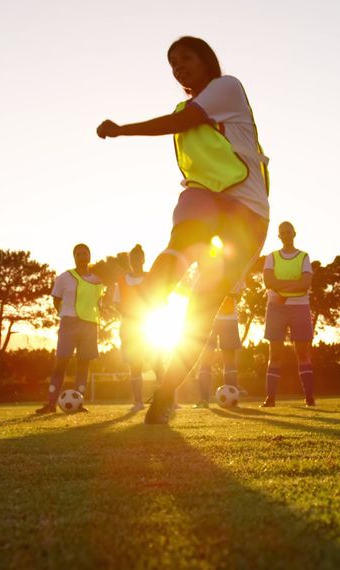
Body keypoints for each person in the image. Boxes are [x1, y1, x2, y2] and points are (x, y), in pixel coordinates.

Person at [97, 36, 270, 424]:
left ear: (206, 60)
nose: (178, 67)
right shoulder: (188, 107)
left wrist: (122, 129)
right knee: (186, 232)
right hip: (205, 195)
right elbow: (187, 131)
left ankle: (165, 393)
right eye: (172, 63)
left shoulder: (227, 88)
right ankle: (152, 298)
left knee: (202, 308)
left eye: (185, 58)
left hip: (246, 209)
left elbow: (181, 121)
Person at [35, 244, 105, 414]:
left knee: (83, 365)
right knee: (61, 364)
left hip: (89, 326)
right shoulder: (64, 277)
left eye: (85, 253)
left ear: (90, 255)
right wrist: (66, 314)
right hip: (69, 324)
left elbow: (99, 302)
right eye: (78, 253)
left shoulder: (98, 280)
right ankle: (51, 404)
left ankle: (79, 403)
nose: (82, 256)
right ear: (74, 257)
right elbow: (55, 300)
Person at [261, 221, 315, 407]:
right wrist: (292, 286)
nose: (285, 235)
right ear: (279, 236)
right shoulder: (272, 257)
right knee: (275, 354)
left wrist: (280, 286)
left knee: (302, 352)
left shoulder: (304, 256)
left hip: (300, 306)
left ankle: (309, 398)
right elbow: (269, 281)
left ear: (294, 233)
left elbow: (305, 284)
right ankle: (270, 398)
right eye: (282, 232)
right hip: (276, 307)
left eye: (288, 232)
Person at [114, 244, 151, 411]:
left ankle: (169, 400)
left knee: (158, 362)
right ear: (130, 260)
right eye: (133, 258)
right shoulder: (121, 281)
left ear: (143, 259)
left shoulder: (151, 278)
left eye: (139, 257)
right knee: (135, 365)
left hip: (149, 326)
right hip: (129, 327)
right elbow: (117, 304)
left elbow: (159, 298)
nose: (136, 261)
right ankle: (138, 402)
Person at [195, 285, 243, 408]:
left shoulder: (235, 273)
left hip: (227, 319)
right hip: (208, 319)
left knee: (228, 361)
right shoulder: (207, 270)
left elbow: (238, 295)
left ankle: (231, 398)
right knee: (206, 359)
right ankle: (204, 400)